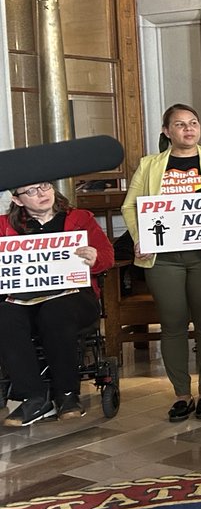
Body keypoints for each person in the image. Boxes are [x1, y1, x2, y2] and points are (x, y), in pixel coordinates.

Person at [121, 104, 201, 423]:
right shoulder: (150, 165)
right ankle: (181, 394)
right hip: (164, 258)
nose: (188, 129)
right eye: (180, 124)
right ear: (167, 131)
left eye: (193, 123)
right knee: (172, 323)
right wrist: (141, 237)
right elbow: (130, 206)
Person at [0, 181, 114, 425]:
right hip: (23, 298)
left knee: (55, 311)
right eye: (31, 191)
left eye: (44, 187)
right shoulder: (4, 226)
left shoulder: (79, 218)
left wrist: (95, 257)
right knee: (4, 316)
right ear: (18, 200)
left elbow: (107, 257)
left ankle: (67, 394)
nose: (41, 194)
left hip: (74, 296)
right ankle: (34, 398)